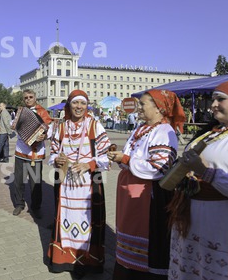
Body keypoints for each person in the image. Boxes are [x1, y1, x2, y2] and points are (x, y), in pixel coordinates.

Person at [108, 89, 186, 280]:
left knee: (147, 245)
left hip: (148, 197)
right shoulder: (141, 128)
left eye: (143, 104)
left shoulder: (164, 131)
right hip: (131, 192)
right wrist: (120, 157)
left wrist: (125, 159)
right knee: (127, 237)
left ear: (159, 108)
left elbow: (159, 167)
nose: (139, 108)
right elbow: (131, 155)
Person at [167, 79, 228, 280]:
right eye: (212, 99)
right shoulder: (213, 132)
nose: (213, 104)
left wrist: (206, 172)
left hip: (222, 222)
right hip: (195, 221)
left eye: (221, 99)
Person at [47, 90, 111, 277]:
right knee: (66, 217)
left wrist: (89, 164)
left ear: (87, 106)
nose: (79, 107)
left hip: (89, 183)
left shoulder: (94, 125)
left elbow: (106, 154)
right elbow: (52, 152)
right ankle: (63, 260)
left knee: (87, 220)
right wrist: (56, 160)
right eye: (75, 103)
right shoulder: (61, 126)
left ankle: (88, 262)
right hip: (66, 184)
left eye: (83, 104)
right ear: (69, 105)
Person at [12, 89, 52, 218]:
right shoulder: (19, 112)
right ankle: (19, 204)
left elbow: (50, 129)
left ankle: (36, 206)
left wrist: (44, 137)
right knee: (18, 180)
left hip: (36, 151)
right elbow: (13, 126)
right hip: (21, 150)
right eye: (25, 98)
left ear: (35, 98)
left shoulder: (42, 112)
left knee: (35, 181)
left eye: (30, 97)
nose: (28, 99)